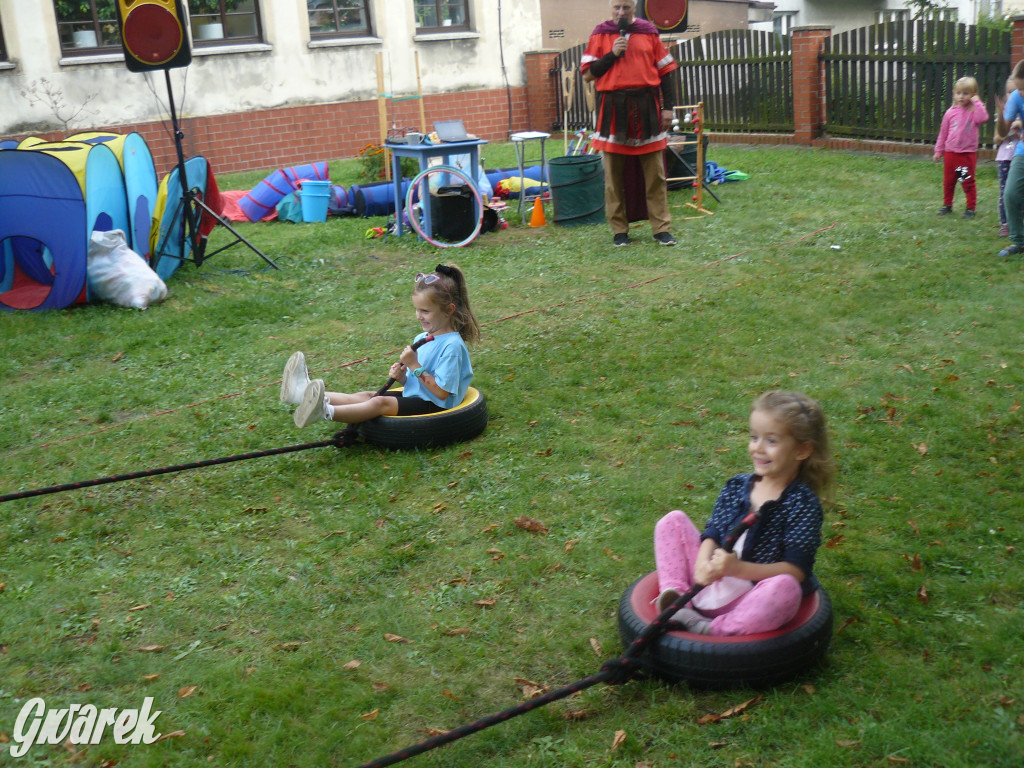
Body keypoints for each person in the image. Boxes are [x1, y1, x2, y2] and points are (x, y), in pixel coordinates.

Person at [652, 390, 834, 637]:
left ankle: (712, 628)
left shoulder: (801, 504)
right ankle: (677, 598)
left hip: (750, 594)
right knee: (672, 521)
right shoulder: (737, 486)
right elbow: (713, 532)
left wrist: (738, 570)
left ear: (802, 451)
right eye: (754, 437)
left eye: (771, 441)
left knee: (786, 587)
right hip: (709, 580)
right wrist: (702, 565)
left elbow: (796, 569)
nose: (758, 448)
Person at [281, 264, 479, 428]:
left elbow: (442, 392)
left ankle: (325, 411)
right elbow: (421, 379)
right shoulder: (424, 336)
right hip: (421, 397)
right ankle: (300, 392)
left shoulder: (452, 346)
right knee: (366, 396)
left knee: (379, 402)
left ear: (449, 310)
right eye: (417, 309)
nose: (419, 316)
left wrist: (413, 366)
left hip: (438, 406)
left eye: (425, 311)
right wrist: (403, 378)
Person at [582, 0, 679, 247]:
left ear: (635, 7)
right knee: (613, 177)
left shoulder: (648, 32)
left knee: (655, 175)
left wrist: (668, 108)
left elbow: (666, 71)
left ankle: (661, 229)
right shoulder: (600, 33)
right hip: (613, 109)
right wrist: (612, 54)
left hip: (647, 108)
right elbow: (588, 74)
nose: (621, 12)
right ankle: (619, 231)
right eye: (617, 7)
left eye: (626, 7)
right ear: (610, 7)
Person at [932, 76, 988, 218]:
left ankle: (970, 207)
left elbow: (983, 118)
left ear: (973, 94)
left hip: (965, 155)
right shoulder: (950, 113)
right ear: (954, 94)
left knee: (966, 182)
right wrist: (938, 150)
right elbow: (943, 134)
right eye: (959, 93)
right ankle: (947, 205)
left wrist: (977, 102)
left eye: (966, 93)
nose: (961, 96)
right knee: (948, 182)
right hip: (950, 153)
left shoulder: (974, 112)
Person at [994, 78, 1023, 237]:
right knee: (1005, 192)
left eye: (1017, 90)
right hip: (1005, 158)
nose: (1013, 94)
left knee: (1019, 192)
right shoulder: (1006, 115)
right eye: (1009, 91)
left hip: (1018, 157)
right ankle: (1005, 224)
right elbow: (997, 138)